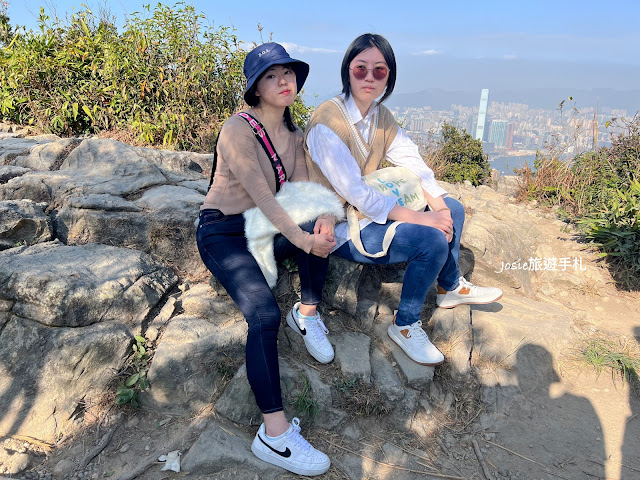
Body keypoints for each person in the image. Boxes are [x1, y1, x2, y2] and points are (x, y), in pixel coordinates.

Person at [304, 33, 503, 367]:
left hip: (364, 211)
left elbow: (413, 162)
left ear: (389, 77)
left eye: (379, 70)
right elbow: (356, 193)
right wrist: (424, 218)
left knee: (452, 209)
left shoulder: (379, 116)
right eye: (361, 68)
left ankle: (449, 286)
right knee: (430, 240)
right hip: (338, 222)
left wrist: (439, 206)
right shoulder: (328, 122)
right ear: (347, 70)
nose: (369, 77)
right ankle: (406, 324)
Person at [196, 43, 335, 476]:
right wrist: (303, 240)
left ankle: (307, 312)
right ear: (255, 89)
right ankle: (274, 435)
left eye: (287, 73)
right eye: (271, 76)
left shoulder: (294, 137)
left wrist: (325, 220)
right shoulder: (237, 129)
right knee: (263, 315)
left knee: (320, 230)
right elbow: (261, 195)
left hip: (262, 230)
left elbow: (306, 191)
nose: (283, 81)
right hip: (223, 232)